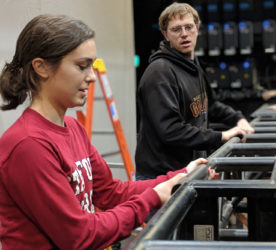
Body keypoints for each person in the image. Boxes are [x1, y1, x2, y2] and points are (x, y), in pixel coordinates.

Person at [0, 14, 214, 249]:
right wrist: (154, 196)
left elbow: (111, 193)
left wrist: (178, 177)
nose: (92, 76)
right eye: (82, 66)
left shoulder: (72, 128)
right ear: (41, 67)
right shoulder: (28, 145)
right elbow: (79, 236)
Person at [136, 2, 254, 180]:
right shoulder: (160, 72)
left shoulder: (193, 66)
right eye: (176, 29)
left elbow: (210, 106)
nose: (184, 34)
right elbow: (171, 130)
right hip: (163, 179)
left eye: (188, 27)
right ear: (165, 34)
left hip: (190, 171)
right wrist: (221, 136)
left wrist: (238, 118)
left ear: (197, 28)